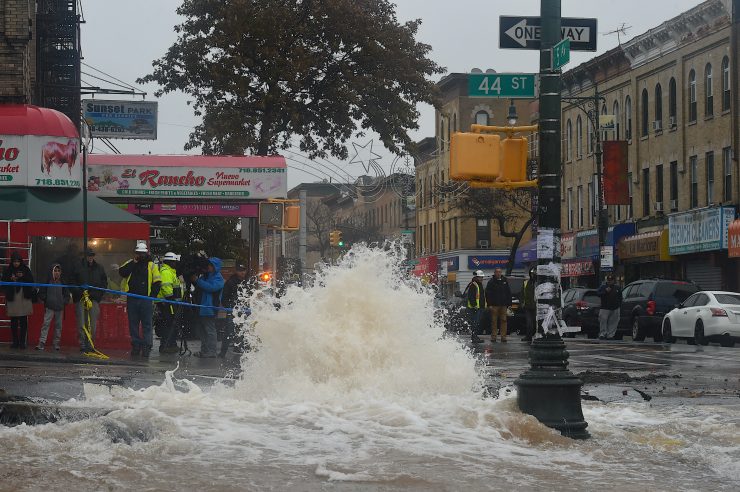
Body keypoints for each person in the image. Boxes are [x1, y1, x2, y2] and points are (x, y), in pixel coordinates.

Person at [119, 242, 161, 357]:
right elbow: (122, 272)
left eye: (142, 254)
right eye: (138, 253)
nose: (140, 256)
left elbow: (157, 282)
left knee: (147, 324)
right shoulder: (131, 263)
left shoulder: (151, 265)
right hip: (132, 298)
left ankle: (146, 346)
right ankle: (136, 346)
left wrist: (151, 297)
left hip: (145, 300)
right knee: (133, 324)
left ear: (146, 253)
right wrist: (134, 262)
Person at [72, 248, 108, 352]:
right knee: (81, 322)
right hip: (80, 298)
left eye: (92, 255)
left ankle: (90, 343)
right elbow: (71, 281)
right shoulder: (78, 267)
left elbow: (104, 283)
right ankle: (83, 344)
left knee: (93, 323)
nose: (90, 257)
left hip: (94, 299)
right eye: (88, 255)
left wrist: (97, 295)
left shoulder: (99, 268)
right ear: (85, 256)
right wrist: (79, 292)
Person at [192, 257, 224, 358]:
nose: (208, 267)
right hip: (202, 307)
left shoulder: (218, 278)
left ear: (215, 267)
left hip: (210, 308)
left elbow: (211, 288)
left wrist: (197, 280)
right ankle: (205, 350)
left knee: (210, 330)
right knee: (202, 330)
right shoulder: (205, 276)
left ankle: (211, 351)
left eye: (210, 265)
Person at [2, 252, 35, 349]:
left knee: (23, 321)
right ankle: (15, 341)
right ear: (12, 262)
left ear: (21, 261)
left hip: (23, 297)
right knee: (14, 321)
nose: (16, 263)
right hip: (13, 297)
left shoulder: (26, 269)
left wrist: (21, 277)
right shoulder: (8, 270)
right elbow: (3, 281)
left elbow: (31, 281)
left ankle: (22, 342)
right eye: (14, 261)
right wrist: (11, 279)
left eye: (18, 261)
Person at [219, 263, 251, 357]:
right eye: (240, 271)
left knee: (244, 331)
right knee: (229, 331)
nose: (242, 273)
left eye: (244, 270)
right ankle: (222, 352)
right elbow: (224, 298)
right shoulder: (230, 282)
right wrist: (229, 307)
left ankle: (241, 350)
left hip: (245, 310)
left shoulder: (247, 281)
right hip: (233, 310)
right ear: (236, 271)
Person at [37, 263, 71, 351]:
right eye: (55, 271)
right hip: (49, 307)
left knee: (58, 326)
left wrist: (63, 302)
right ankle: (41, 343)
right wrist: (47, 300)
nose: (57, 272)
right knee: (45, 324)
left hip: (60, 308)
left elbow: (67, 295)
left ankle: (56, 343)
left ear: (61, 272)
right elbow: (41, 293)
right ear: (52, 271)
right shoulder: (47, 281)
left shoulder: (63, 282)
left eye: (58, 271)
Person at [157, 252, 182, 354]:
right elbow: (166, 287)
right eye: (174, 262)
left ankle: (170, 344)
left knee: (171, 323)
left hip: (169, 302)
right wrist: (171, 300)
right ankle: (166, 345)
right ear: (170, 262)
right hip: (167, 302)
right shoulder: (166, 272)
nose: (176, 264)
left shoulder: (170, 271)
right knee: (168, 324)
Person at [485, 267, 512, 342]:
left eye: (500, 272)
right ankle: (494, 337)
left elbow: (508, 292)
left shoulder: (505, 281)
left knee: (504, 320)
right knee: (494, 321)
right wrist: (489, 304)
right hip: (494, 305)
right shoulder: (491, 282)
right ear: (494, 273)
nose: (498, 273)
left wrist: (509, 303)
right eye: (497, 272)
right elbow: (487, 294)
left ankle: (503, 337)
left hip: (503, 305)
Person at [597, 274, 622, 340]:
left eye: (611, 280)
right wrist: (605, 291)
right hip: (605, 308)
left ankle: (610, 335)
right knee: (603, 321)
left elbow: (620, 297)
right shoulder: (603, 287)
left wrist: (619, 305)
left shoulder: (617, 287)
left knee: (613, 322)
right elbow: (598, 294)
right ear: (607, 280)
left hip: (615, 307)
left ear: (614, 281)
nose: (610, 281)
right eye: (608, 280)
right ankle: (602, 334)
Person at [465, 270, 487, 344]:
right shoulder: (473, 285)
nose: (481, 279)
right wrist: (474, 305)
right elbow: (470, 296)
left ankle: (475, 336)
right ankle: (474, 337)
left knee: (477, 323)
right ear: (476, 277)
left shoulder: (479, 284)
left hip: (479, 307)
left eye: (482, 277)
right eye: (480, 277)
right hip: (475, 308)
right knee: (475, 323)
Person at [521, 267, 537, 342]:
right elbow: (522, 293)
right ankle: (529, 336)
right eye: (532, 273)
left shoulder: (538, 282)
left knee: (536, 323)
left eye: (534, 273)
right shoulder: (526, 282)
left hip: (536, 306)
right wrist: (522, 302)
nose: (533, 275)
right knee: (529, 323)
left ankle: (536, 336)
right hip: (528, 306)